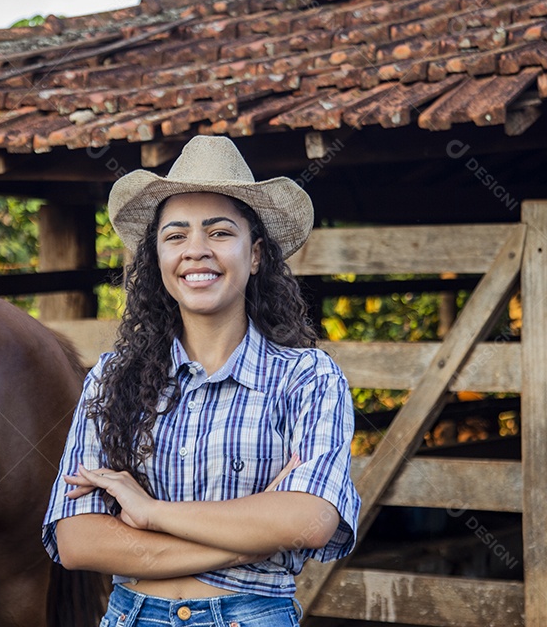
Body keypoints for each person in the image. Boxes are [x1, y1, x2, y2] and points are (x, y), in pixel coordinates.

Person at [42, 135, 360, 625]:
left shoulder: (307, 378)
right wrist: (249, 539)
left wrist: (150, 513)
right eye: (175, 236)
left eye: (219, 232)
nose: (196, 251)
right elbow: (77, 539)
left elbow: (311, 521)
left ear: (255, 255)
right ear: (157, 257)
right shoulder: (112, 378)